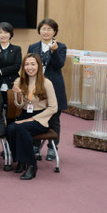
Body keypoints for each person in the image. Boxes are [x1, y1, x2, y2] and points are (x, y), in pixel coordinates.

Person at [7, 54, 58, 180]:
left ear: (38, 66)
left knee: (21, 129)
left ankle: (31, 164)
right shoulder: (19, 81)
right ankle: (20, 160)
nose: (30, 67)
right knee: (10, 129)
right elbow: (19, 105)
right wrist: (18, 95)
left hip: (42, 117)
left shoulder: (47, 83)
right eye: (27, 64)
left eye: (33, 64)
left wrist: (32, 119)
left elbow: (53, 108)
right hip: (25, 113)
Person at [27, 18, 66, 161]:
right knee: (37, 117)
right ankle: (35, 145)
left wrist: (54, 52)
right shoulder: (33, 47)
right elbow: (28, 66)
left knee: (54, 119)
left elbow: (58, 65)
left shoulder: (60, 47)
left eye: (49, 29)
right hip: (36, 89)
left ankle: (52, 148)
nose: (46, 32)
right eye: (43, 29)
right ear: (39, 31)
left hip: (55, 88)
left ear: (54, 31)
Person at [0, 22, 22, 156]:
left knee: (10, 116)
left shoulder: (16, 49)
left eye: (5, 32)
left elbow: (16, 67)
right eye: (0, 32)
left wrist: (0, 71)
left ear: (10, 34)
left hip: (11, 86)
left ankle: (8, 144)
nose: (3, 35)